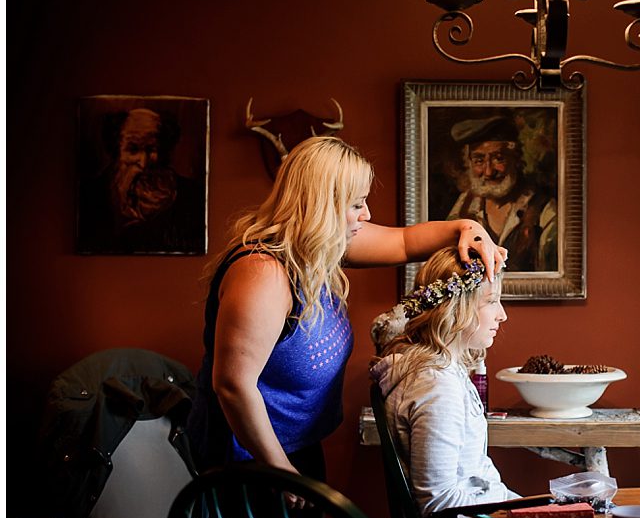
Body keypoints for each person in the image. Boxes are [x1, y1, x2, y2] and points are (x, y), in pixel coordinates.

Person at [185, 135, 506, 494]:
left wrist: (470, 230)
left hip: (294, 451)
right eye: (356, 205)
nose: (366, 215)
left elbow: (404, 242)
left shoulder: (317, 249)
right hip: (247, 465)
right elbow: (233, 386)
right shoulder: (263, 274)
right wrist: (280, 470)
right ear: (322, 206)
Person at [369, 246, 519, 518]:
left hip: (482, 516)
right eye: (491, 301)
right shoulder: (437, 386)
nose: (502, 315)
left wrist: (534, 506)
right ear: (457, 307)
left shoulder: (446, 372)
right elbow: (439, 502)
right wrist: (517, 511)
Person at [77, 107, 202, 253]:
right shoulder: (91, 194)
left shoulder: (190, 194)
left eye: (151, 149)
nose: (143, 163)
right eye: (133, 149)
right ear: (116, 150)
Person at [446, 115, 557, 272]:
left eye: (499, 159)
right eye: (479, 160)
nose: (489, 171)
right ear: (469, 162)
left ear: (516, 159)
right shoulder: (464, 205)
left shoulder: (544, 210)